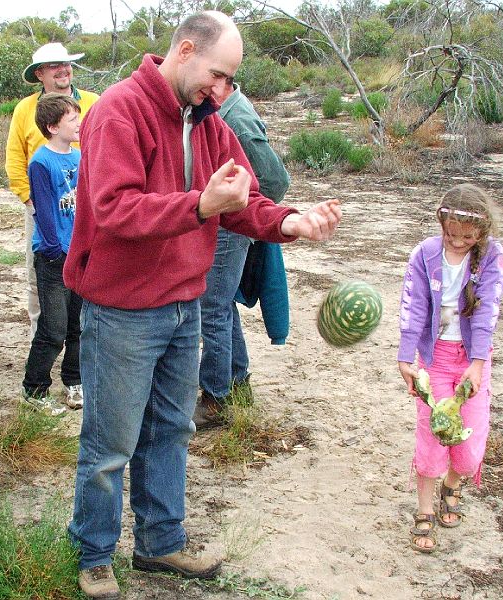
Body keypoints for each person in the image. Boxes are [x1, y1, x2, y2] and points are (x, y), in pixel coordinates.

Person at [63, 12, 341, 599]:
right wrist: (199, 205)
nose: (223, 89)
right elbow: (115, 208)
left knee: (171, 429)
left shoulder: (209, 122)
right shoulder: (120, 108)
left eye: (229, 79)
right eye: (217, 74)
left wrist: (291, 221)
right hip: (122, 311)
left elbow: (243, 200)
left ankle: (160, 543)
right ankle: (94, 554)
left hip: (185, 306)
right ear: (184, 50)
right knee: (111, 441)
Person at [396, 183, 503, 554]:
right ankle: (424, 509)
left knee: (470, 443)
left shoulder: (491, 256)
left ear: (481, 233)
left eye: (467, 237)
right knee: (433, 432)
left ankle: (454, 483)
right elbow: (413, 308)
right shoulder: (425, 255)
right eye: (450, 235)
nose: (457, 242)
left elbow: (487, 312)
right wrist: (405, 358)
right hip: (436, 359)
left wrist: (477, 365)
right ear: (441, 225)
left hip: (473, 359)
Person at [194, 80, 292, 428]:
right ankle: (237, 382)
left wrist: (247, 214)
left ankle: (215, 399)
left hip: (228, 226)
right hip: (224, 221)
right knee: (220, 304)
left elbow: (274, 180)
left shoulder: (236, 118)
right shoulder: (226, 110)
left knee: (213, 307)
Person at [5, 42, 99, 353]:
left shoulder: (92, 102)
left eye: (67, 63)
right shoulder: (25, 109)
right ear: (40, 74)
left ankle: (81, 354)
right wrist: (29, 201)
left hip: (88, 210)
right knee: (42, 278)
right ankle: (44, 344)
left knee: (88, 278)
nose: (64, 69)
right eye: (54, 65)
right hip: (44, 208)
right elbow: (15, 158)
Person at [20, 95, 84, 415]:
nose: (78, 124)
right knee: (54, 328)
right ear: (52, 126)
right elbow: (44, 216)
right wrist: (58, 251)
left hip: (79, 255)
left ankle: (74, 381)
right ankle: (34, 388)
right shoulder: (41, 163)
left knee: (78, 325)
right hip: (53, 258)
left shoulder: (80, 158)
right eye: (72, 119)